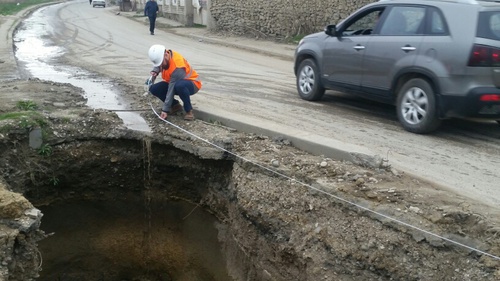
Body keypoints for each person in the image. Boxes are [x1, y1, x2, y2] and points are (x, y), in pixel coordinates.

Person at [147, 44, 202, 121]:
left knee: (179, 86)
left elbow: (171, 89)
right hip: (174, 82)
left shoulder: (177, 66)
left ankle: (189, 111)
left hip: (192, 83)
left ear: (165, 55)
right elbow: (159, 64)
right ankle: (175, 106)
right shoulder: (164, 57)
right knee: (154, 89)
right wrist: (155, 70)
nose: (161, 66)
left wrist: (165, 110)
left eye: (161, 63)